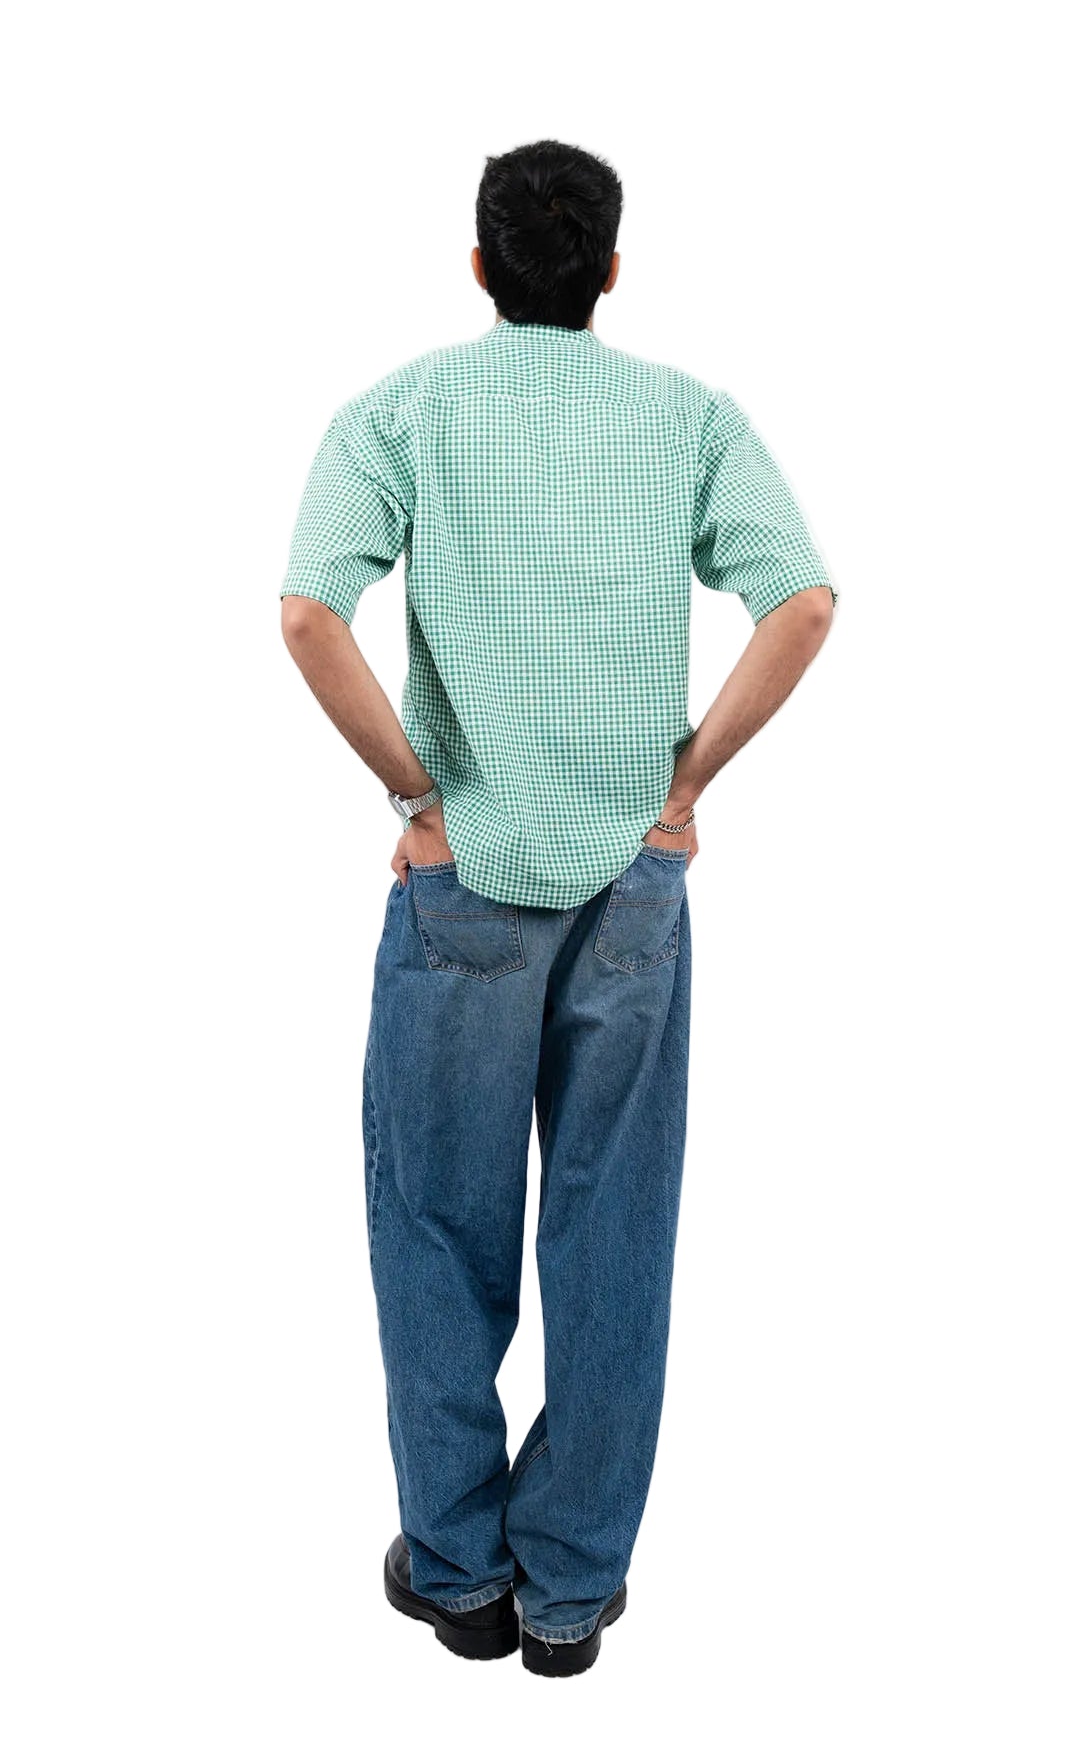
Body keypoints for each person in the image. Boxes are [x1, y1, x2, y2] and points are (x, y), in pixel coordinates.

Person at [279, 138, 838, 1677]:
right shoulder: (688, 419)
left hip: (462, 887)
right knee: (614, 1232)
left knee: (438, 1227)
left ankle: (459, 1572)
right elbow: (802, 600)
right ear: (607, 271)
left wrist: (419, 800)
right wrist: (684, 786)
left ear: (479, 267)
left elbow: (309, 611)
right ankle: (572, 1590)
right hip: (630, 888)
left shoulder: (400, 409)